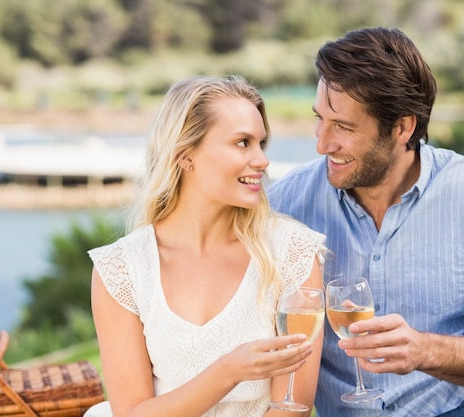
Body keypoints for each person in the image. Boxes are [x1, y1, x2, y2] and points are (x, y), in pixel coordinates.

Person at [268, 27, 464, 417]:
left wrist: (425, 350)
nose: (322, 143)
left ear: (403, 127)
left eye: (343, 127)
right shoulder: (288, 201)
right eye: (320, 119)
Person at [86, 75, 325, 417]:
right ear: (186, 156)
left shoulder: (291, 253)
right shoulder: (121, 269)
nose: (262, 160)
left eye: (261, 143)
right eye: (242, 143)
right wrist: (228, 372)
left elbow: (292, 408)